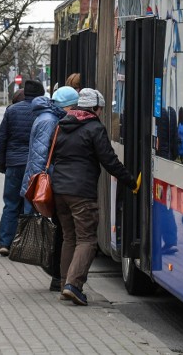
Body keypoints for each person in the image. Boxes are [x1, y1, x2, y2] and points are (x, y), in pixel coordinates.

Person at [51, 88, 138, 305]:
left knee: (69, 237)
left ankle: (64, 283)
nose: (100, 112)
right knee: (87, 239)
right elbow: (109, 161)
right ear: (94, 108)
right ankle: (74, 285)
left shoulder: (62, 125)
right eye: (100, 108)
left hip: (59, 191)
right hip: (82, 192)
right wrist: (130, 181)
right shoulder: (94, 128)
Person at [20, 86, 79, 292]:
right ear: (67, 105)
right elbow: (40, 156)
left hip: (47, 180)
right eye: (74, 106)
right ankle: (56, 274)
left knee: (60, 230)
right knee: (60, 231)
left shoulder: (47, 116)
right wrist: (38, 187)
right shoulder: (50, 121)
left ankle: (56, 273)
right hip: (49, 181)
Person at [0, 80, 45, 256]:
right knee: (29, 203)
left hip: (14, 164)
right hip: (34, 165)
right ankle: (25, 244)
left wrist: (3, 162)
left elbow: (2, 138)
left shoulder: (12, 111)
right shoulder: (42, 112)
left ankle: (5, 243)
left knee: (10, 203)